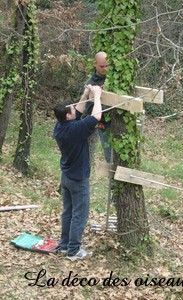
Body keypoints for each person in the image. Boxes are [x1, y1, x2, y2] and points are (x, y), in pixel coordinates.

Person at [53, 85, 102, 261]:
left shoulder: (60, 126)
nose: (76, 108)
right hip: (78, 179)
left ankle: (65, 245)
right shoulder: (76, 129)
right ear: (68, 116)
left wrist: (85, 94)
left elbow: (78, 111)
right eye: (72, 109)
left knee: (68, 212)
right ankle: (73, 251)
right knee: (79, 214)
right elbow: (96, 116)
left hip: (66, 177)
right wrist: (97, 96)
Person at [83, 51, 112, 164]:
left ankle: (112, 178)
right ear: (95, 64)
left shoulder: (113, 80)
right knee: (88, 153)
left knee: (110, 155)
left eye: (106, 66)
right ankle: (87, 175)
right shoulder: (90, 83)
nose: (105, 69)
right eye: (101, 66)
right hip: (93, 122)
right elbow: (88, 108)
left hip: (109, 124)